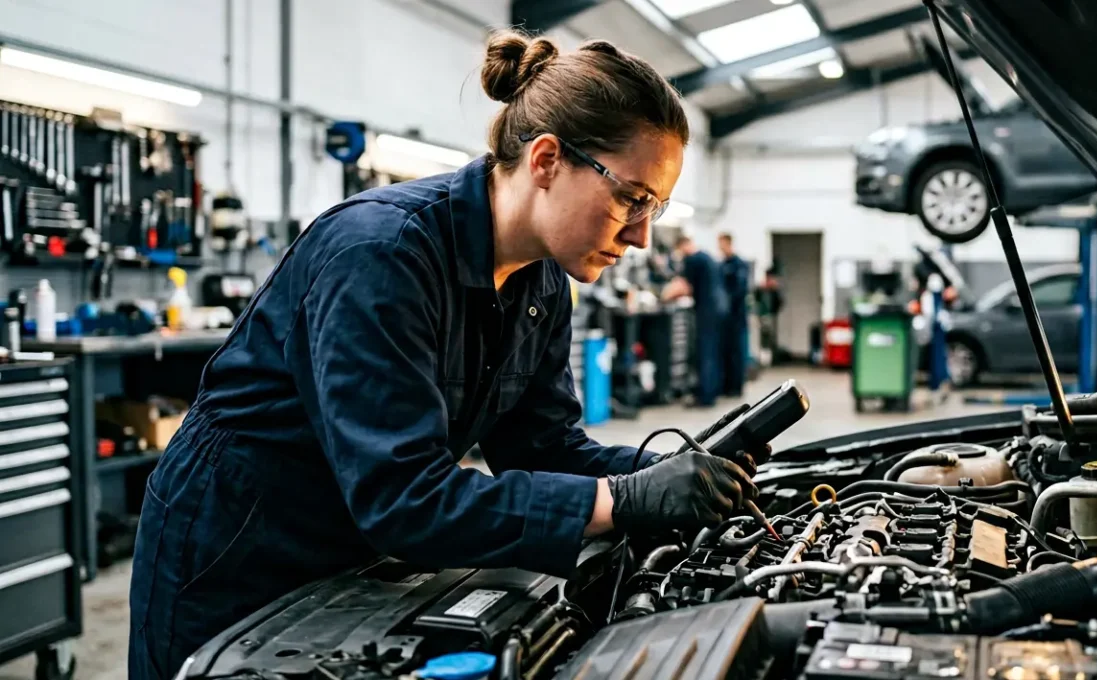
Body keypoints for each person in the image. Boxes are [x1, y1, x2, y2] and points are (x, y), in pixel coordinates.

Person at [128, 31, 763, 680]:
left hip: (352, 545)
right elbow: (405, 496)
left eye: (654, 207)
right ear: (546, 161)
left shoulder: (540, 280)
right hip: (235, 551)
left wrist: (677, 475)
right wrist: (625, 500)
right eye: (633, 199)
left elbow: (543, 448)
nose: (641, 235)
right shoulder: (381, 254)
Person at [664, 235, 728, 407]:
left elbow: (682, 286)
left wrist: (663, 297)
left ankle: (705, 397)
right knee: (713, 352)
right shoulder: (707, 256)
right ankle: (713, 391)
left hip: (707, 310)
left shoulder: (692, 259)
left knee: (705, 352)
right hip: (720, 308)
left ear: (683, 246)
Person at [718, 233, 750, 397]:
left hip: (737, 317)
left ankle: (736, 387)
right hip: (725, 318)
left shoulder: (739, 264)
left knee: (737, 353)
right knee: (727, 352)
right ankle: (727, 386)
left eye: (722, 243)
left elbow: (740, 290)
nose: (720, 247)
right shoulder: (722, 265)